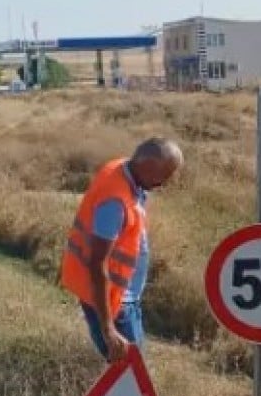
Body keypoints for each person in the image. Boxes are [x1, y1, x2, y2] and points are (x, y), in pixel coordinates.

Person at [58, 137, 183, 362]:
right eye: (163, 176)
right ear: (147, 166)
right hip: (115, 303)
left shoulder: (122, 169)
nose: (164, 183)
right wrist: (108, 328)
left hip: (122, 297)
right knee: (133, 376)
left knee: (128, 375)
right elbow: (97, 263)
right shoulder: (115, 202)